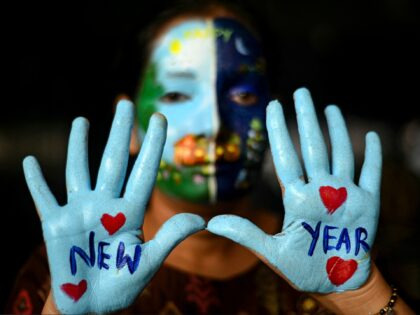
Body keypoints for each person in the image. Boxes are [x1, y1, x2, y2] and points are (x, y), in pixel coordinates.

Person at [5, 0, 416, 314]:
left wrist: (362, 297)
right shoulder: (71, 264)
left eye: (243, 95)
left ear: (270, 116)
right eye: (179, 95)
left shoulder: (341, 253)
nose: (214, 126)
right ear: (129, 124)